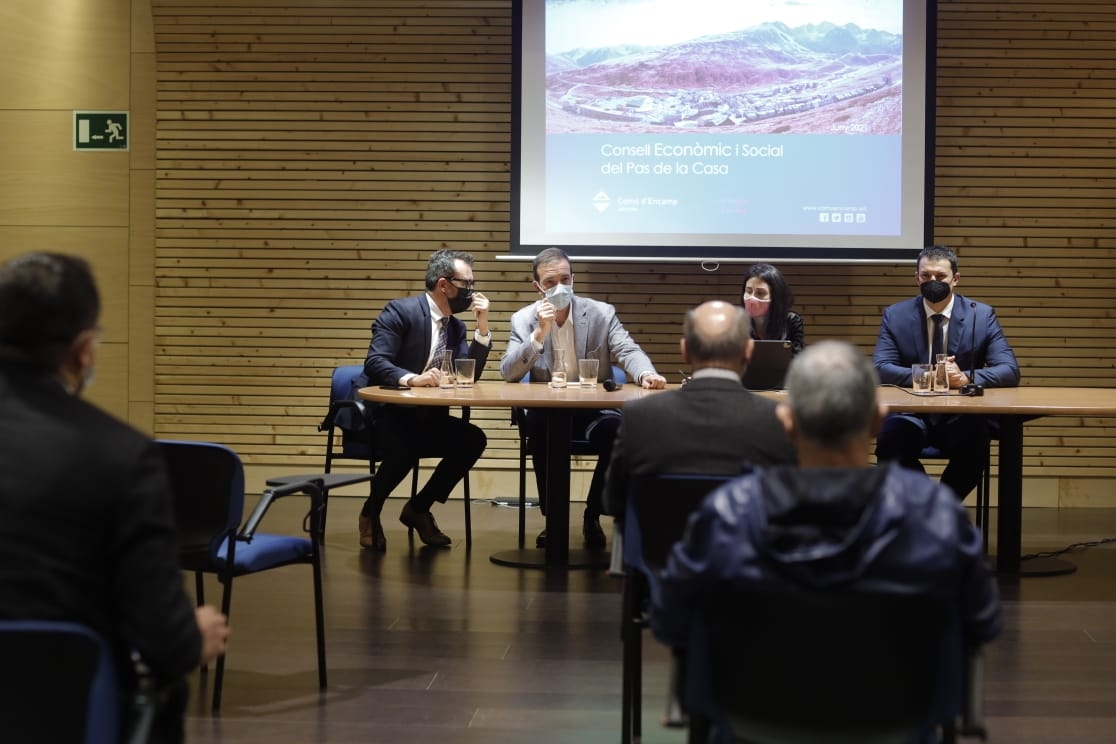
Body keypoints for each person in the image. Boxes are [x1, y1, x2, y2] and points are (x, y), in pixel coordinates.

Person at [651, 339, 1001, 669]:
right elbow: (980, 623)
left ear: (786, 421)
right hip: (896, 717)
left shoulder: (727, 511)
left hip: (754, 716)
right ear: (878, 421)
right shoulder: (936, 513)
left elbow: (671, 621)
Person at [0, 252, 230, 744]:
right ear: (83, 350)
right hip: (58, 711)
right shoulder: (121, 455)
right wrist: (193, 636)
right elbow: (164, 639)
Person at [501, 247, 667, 549]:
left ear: (573, 279)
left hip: (592, 411)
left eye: (565, 279)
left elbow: (627, 351)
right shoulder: (523, 319)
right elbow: (508, 373)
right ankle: (554, 520)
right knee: (539, 430)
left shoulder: (601, 313)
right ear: (537, 286)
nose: (560, 287)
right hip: (547, 412)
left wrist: (646, 375)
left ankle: (593, 513)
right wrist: (540, 333)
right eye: (551, 282)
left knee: (619, 434)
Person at [344, 249, 491, 551]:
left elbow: (468, 375)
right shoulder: (400, 311)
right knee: (406, 446)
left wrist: (483, 327)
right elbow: (375, 362)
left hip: (425, 416)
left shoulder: (456, 326)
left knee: (473, 439)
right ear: (444, 285)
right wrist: (413, 378)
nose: (472, 291)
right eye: (467, 284)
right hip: (384, 412)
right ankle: (370, 512)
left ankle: (419, 508)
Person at [602, 300, 796, 525]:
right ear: (749, 350)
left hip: (657, 559)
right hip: (744, 558)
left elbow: (612, 501)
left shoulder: (639, 416)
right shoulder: (777, 420)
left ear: (685, 350)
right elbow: (785, 506)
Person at [873, 244, 1020, 499]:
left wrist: (965, 377)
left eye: (940, 276)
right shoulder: (896, 315)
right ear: (916, 278)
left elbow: (1009, 370)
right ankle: (927, 506)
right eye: (926, 275)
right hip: (911, 414)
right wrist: (932, 377)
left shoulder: (981, 316)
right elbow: (881, 368)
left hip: (960, 415)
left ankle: (944, 506)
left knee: (976, 440)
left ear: (955, 279)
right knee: (889, 442)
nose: (933, 281)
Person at [741, 262, 805, 354]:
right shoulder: (737, 322)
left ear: (775, 296)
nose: (752, 298)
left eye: (760, 293)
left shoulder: (791, 321)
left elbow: (799, 358)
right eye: (748, 291)